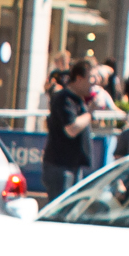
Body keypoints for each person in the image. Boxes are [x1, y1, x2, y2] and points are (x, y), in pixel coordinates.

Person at [41, 65, 93, 198]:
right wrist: (90, 113)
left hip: (73, 166)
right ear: (79, 79)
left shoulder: (79, 100)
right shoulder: (64, 99)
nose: (93, 82)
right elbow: (71, 129)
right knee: (59, 212)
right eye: (90, 78)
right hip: (60, 167)